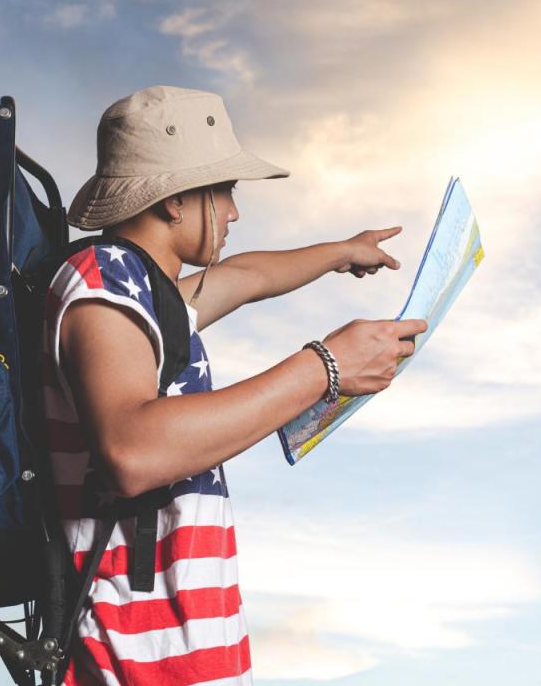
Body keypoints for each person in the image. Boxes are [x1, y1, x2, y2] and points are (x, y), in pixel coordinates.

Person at [43, 85, 427, 685]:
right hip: (141, 656)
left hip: (182, 652)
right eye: (224, 191)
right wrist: (326, 366)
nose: (233, 212)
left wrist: (341, 252)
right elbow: (131, 450)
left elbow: (247, 276)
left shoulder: (150, 294)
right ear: (176, 199)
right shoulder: (102, 276)